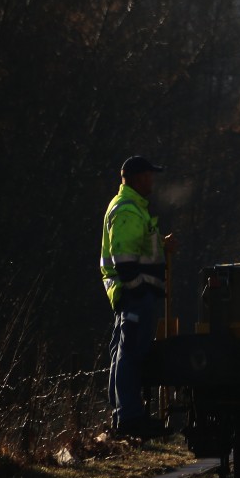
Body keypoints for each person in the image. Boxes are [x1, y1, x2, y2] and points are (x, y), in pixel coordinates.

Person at [100, 155, 169, 439]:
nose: (152, 180)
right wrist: (139, 289)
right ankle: (129, 418)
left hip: (132, 296)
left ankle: (125, 415)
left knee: (122, 354)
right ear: (138, 178)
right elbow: (125, 259)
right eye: (149, 175)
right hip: (136, 296)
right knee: (130, 356)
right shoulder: (128, 210)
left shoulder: (130, 207)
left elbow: (135, 249)